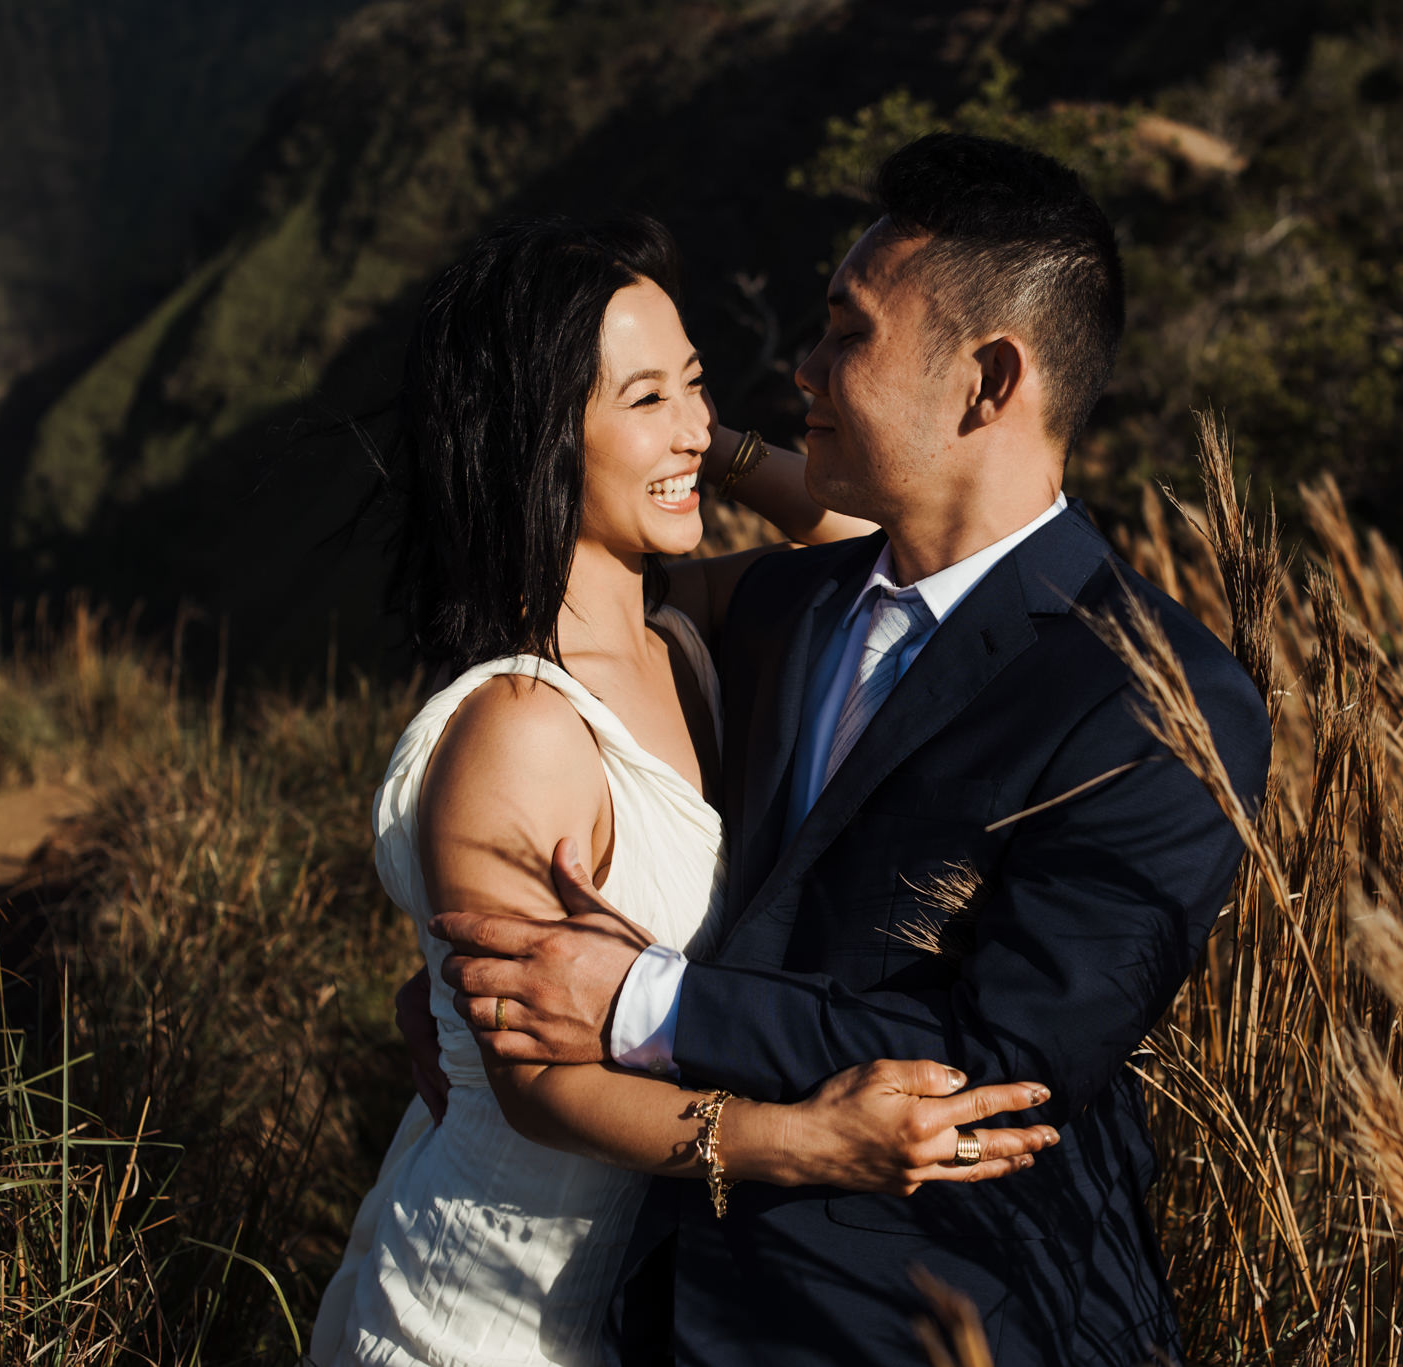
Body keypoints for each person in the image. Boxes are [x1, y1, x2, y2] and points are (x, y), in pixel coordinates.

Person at [426, 134, 1273, 1365]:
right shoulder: (785, 609)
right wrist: (451, 949)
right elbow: (568, 640)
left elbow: (1003, 1063)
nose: (802, 365)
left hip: (938, 1314)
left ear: (986, 382)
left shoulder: (1155, 696)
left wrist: (637, 1001)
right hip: (666, 1304)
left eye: (845, 332)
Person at [309, 214, 1061, 1367]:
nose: (698, 423)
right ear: (539, 442)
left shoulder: (689, 636)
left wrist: (695, 446)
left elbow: (859, 530)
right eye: (645, 396)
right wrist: (808, 1141)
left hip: (622, 1306)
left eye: (697, 386)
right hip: (475, 1313)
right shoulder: (523, 726)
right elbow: (536, 1087)